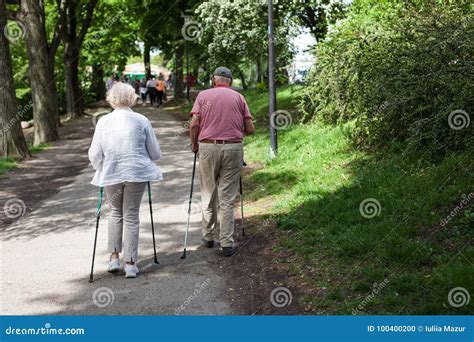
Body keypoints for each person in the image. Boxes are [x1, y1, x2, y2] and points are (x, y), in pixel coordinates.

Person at [88, 82, 163, 278]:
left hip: (112, 173)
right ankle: (130, 263)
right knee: (131, 215)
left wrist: (100, 168)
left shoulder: (104, 121)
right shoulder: (141, 120)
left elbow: (95, 153)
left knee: (115, 213)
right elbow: (155, 152)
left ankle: (114, 258)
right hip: (136, 173)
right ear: (132, 98)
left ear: (111, 99)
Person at [189, 67, 255, 257]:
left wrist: (195, 145)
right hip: (233, 148)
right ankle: (227, 243)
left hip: (208, 147)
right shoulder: (239, 98)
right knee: (227, 197)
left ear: (213, 80)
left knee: (208, 192)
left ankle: (208, 236)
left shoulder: (203, 96)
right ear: (231, 82)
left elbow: (194, 124)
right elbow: (250, 129)